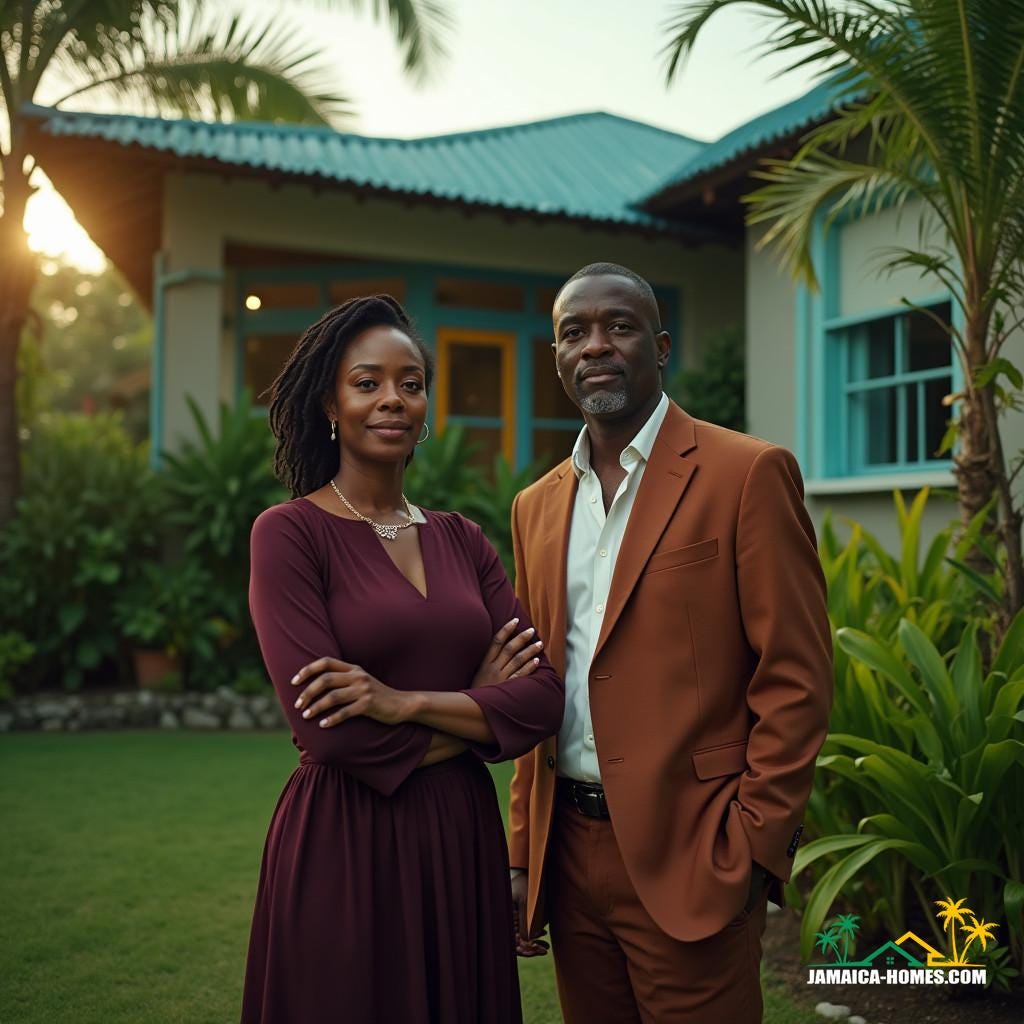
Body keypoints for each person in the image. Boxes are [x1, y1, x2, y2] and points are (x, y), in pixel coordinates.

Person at [506, 262, 834, 1023]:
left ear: (660, 347)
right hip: (570, 856)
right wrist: (524, 849)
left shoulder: (747, 473)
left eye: (618, 327)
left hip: (696, 851)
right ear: (556, 357)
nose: (595, 346)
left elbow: (796, 676)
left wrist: (754, 843)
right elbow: (536, 685)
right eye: (573, 332)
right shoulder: (536, 507)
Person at [241, 295, 564, 1024]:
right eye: (368, 382)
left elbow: (544, 698)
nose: (393, 399)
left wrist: (400, 701)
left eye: (411, 383)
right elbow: (329, 733)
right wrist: (479, 711)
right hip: (346, 842)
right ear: (331, 402)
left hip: (459, 839)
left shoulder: (462, 539)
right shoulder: (288, 535)